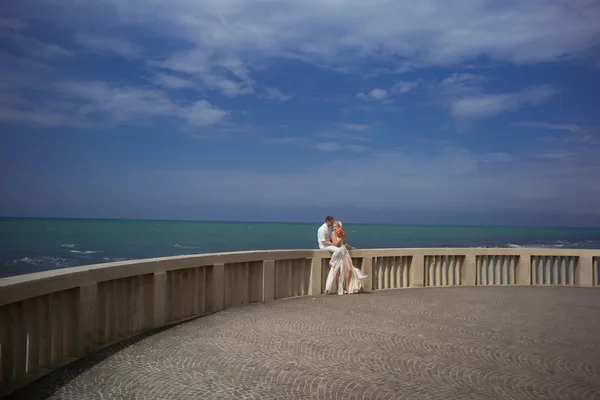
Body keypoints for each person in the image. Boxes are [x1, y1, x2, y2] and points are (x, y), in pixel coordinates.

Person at [324, 221, 367, 295]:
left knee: (349, 269)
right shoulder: (333, 233)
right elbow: (335, 244)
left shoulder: (342, 233)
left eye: (336, 227)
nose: (334, 228)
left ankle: (347, 286)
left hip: (345, 252)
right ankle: (338, 288)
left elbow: (345, 243)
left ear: (339, 227)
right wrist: (340, 238)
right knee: (337, 272)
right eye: (333, 227)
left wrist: (350, 247)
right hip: (338, 252)